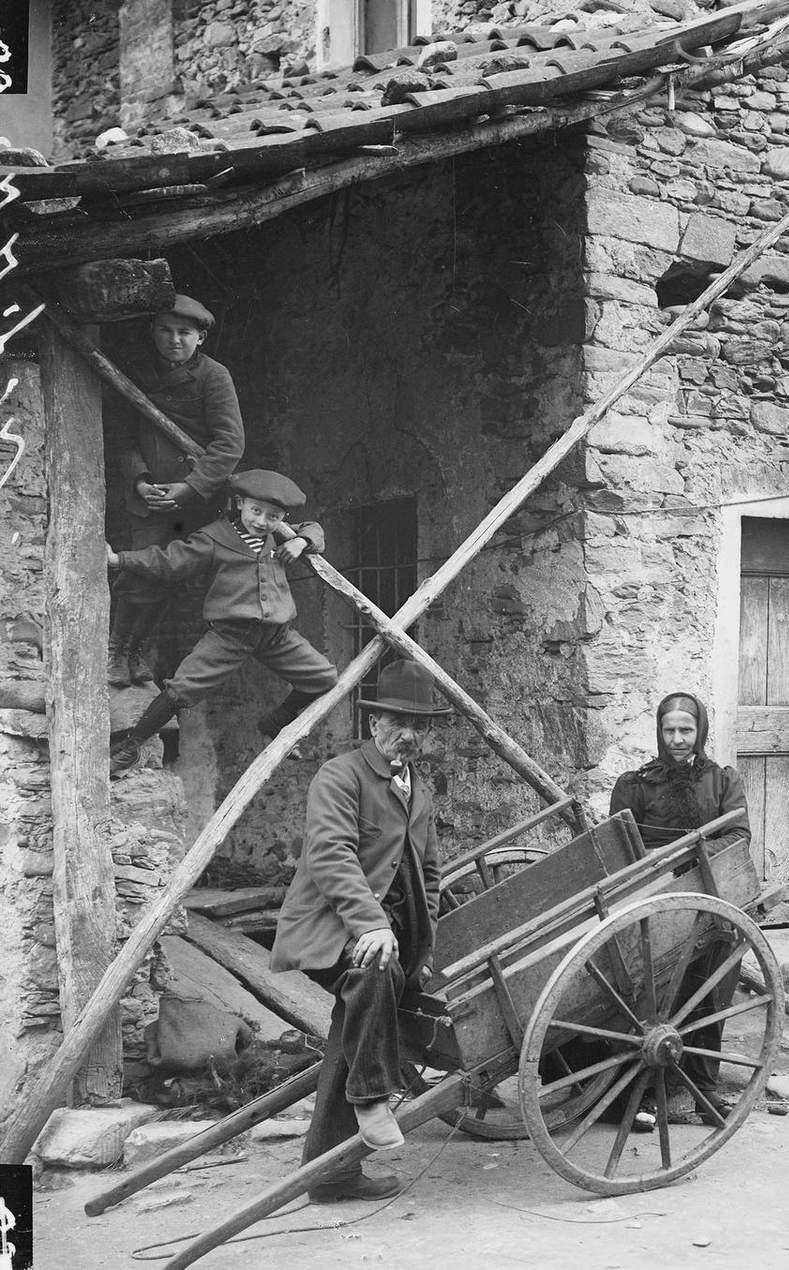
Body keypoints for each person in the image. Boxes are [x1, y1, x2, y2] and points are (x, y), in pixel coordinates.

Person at [271, 660, 451, 1202]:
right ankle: (372, 1094)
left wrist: (424, 941)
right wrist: (373, 926)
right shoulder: (340, 775)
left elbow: (432, 872)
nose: (408, 734)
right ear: (374, 723)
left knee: (355, 1020)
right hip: (329, 928)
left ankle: (331, 1175)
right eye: (398, 720)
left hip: (391, 936)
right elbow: (331, 856)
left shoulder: (418, 790)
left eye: (420, 725)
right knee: (373, 968)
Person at [105, 469, 339, 777]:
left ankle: (275, 721)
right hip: (230, 636)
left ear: (282, 517)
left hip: (276, 635)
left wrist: (301, 541)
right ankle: (131, 746)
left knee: (324, 678)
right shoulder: (214, 538)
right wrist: (120, 560)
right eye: (256, 511)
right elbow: (169, 560)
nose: (261, 521)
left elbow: (315, 528)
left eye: (273, 516)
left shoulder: (280, 536)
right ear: (240, 503)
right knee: (180, 691)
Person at [609, 691, 749, 1122]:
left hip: (709, 902)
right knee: (651, 999)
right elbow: (618, 849)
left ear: (700, 731)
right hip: (653, 907)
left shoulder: (722, 781)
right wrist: (660, 869)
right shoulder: (635, 784)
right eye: (669, 730)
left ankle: (705, 1089)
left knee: (710, 994)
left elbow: (737, 835)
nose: (677, 739)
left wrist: (691, 855)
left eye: (686, 730)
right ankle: (648, 1092)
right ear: (659, 732)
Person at [106, 294, 246, 687]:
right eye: (165, 331)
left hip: (191, 502)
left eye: (185, 333)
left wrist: (188, 488)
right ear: (152, 331)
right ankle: (116, 653)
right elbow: (121, 437)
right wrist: (138, 480)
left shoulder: (214, 376)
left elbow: (229, 444)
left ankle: (138, 650)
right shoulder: (134, 373)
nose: (174, 340)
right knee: (138, 571)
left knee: (172, 576)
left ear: (200, 337)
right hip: (148, 496)